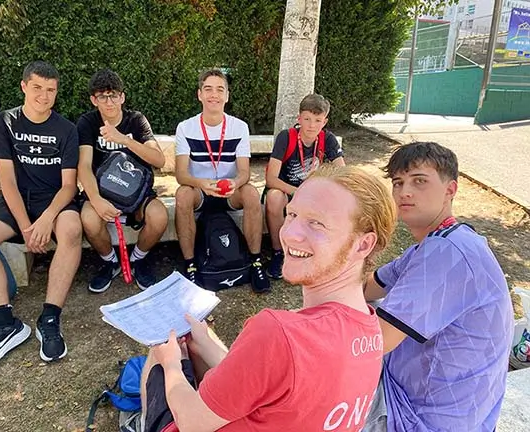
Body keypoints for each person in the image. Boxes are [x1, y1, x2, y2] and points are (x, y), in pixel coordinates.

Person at [139, 165, 397, 432]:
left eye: (316, 223)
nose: (289, 233)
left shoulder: (278, 333)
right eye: (292, 214)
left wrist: (170, 364)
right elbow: (281, 384)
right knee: (200, 341)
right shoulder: (370, 332)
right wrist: (203, 342)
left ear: (363, 244)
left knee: (161, 348)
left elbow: (192, 422)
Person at [362, 142, 514, 431]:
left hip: (419, 417)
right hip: (436, 403)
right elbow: (370, 288)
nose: (404, 192)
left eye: (419, 181)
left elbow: (374, 342)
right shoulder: (442, 241)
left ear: (450, 190)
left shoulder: (447, 253)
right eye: (398, 182)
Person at [0, 61, 82, 368]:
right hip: (16, 200)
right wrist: (27, 227)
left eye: (51, 90)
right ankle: (4, 323)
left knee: (70, 229)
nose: (44, 96)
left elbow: (69, 186)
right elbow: (7, 182)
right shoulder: (3, 121)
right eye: (38, 88)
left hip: (53, 201)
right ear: (24, 86)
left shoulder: (66, 129)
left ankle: (50, 317)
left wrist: (45, 220)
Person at [174, 69, 269, 293]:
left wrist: (235, 183)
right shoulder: (185, 127)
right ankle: (191, 266)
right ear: (199, 94)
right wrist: (201, 183)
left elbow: (244, 172)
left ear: (227, 96)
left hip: (229, 192)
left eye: (220, 89)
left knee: (252, 194)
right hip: (201, 190)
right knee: (182, 194)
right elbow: (181, 175)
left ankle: (255, 262)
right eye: (208, 89)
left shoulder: (239, 127)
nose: (213, 95)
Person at [77, 69, 168, 292]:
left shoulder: (136, 120)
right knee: (88, 218)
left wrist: (122, 139)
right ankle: (111, 262)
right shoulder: (87, 122)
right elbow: (84, 166)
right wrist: (96, 200)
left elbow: (159, 159)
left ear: (122, 97)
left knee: (159, 216)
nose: (109, 102)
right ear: (93, 100)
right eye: (102, 96)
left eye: (114, 95)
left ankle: (138, 259)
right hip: (103, 192)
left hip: (136, 193)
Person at [264, 93, 345, 279]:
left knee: (338, 197)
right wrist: (299, 191)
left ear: (325, 121)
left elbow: (343, 173)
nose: (311, 125)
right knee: (274, 197)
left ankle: (320, 252)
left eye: (317, 120)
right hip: (287, 190)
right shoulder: (286, 137)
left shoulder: (328, 139)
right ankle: (279, 252)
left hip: (313, 193)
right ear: (299, 118)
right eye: (307, 119)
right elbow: (271, 179)